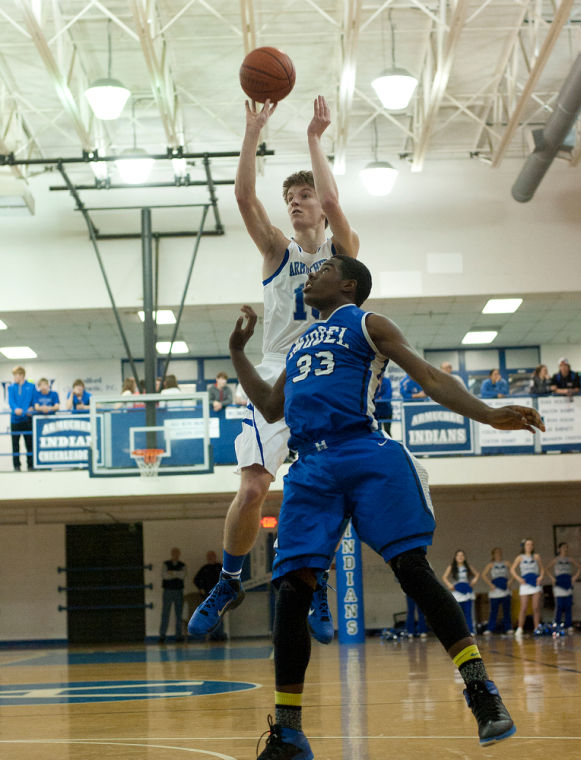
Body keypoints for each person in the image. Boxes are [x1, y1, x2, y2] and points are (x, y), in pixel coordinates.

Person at [228, 255, 545, 756]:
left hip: (366, 452)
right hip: (310, 466)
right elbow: (270, 407)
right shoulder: (298, 345)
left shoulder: (369, 323)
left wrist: (486, 413)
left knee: (412, 569)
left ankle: (482, 692)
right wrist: (237, 353)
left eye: (324, 268)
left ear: (349, 284)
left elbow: (430, 378)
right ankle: (288, 732)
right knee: (292, 590)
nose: (312, 274)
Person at [188, 95, 359, 646]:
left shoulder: (343, 253)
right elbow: (242, 196)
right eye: (289, 197)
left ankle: (319, 582)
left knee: (327, 490)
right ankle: (230, 582)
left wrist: (314, 137)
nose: (295, 204)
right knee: (255, 485)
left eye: (303, 195)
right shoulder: (277, 252)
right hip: (276, 373)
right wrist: (250, 129)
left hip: (328, 376)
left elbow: (334, 197)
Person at [510, 538, 544, 637]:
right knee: (523, 607)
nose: (529, 546)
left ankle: (537, 627)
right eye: (527, 544)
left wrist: (541, 577)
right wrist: (518, 579)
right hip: (525, 584)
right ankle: (520, 628)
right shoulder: (520, 557)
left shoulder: (536, 557)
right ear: (524, 546)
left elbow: (542, 569)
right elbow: (512, 569)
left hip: (535, 583)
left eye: (531, 544)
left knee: (536, 607)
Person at [442, 550, 479, 635]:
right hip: (457, 592)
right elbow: (444, 577)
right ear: (455, 557)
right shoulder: (451, 567)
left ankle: (470, 631)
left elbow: (477, 574)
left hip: (467, 591)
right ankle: (458, 631)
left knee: (468, 612)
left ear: (464, 557)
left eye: (462, 555)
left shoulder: (468, 566)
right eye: (458, 555)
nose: (460, 557)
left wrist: (474, 580)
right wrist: (450, 585)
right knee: (457, 613)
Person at [546, 542, 580, 633]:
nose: (565, 549)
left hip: (567, 582)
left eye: (566, 547)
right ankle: (557, 623)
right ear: (559, 549)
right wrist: (552, 578)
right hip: (559, 582)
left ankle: (568, 625)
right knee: (560, 605)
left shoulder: (570, 559)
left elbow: (579, 567)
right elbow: (546, 569)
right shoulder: (556, 560)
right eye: (563, 547)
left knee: (568, 605)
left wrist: (575, 577)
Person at [193, 551, 227, 641]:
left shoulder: (219, 567)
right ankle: (213, 635)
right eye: (209, 556)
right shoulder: (205, 568)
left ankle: (220, 634)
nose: (211, 558)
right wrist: (201, 588)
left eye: (212, 556)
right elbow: (196, 580)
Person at [8, 366, 35, 471]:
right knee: (15, 444)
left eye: (16, 375)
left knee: (29, 443)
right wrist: (16, 409)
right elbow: (11, 401)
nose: (14, 377)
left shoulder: (31, 386)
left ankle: (30, 465)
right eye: (14, 375)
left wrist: (28, 409)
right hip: (15, 420)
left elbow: (32, 400)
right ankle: (17, 466)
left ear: (22, 375)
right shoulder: (11, 387)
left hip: (27, 419)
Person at [481, 548, 513, 635]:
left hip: (505, 588)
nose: (498, 554)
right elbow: (483, 575)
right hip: (495, 589)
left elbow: (513, 572)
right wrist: (490, 584)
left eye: (499, 552)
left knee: (506, 610)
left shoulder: (506, 563)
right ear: (493, 554)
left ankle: (508, 628)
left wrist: (510, 581)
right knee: (493, 611)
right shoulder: (491, 565)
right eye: (496, 553)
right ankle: (490, 628)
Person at [159, 547, 186, 643]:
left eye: (177, 553)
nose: (175, 554)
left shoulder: (182, 565)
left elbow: (182, 576)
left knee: (179, 614)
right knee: (165, 613)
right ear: (171, 554)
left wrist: (172, 573)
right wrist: (177, 574)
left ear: (179, 554)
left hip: (179, 591)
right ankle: (162, 635)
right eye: (174, 553)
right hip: (168, 591)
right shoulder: (165, 564)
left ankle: (178, 635)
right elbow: (165, 576)